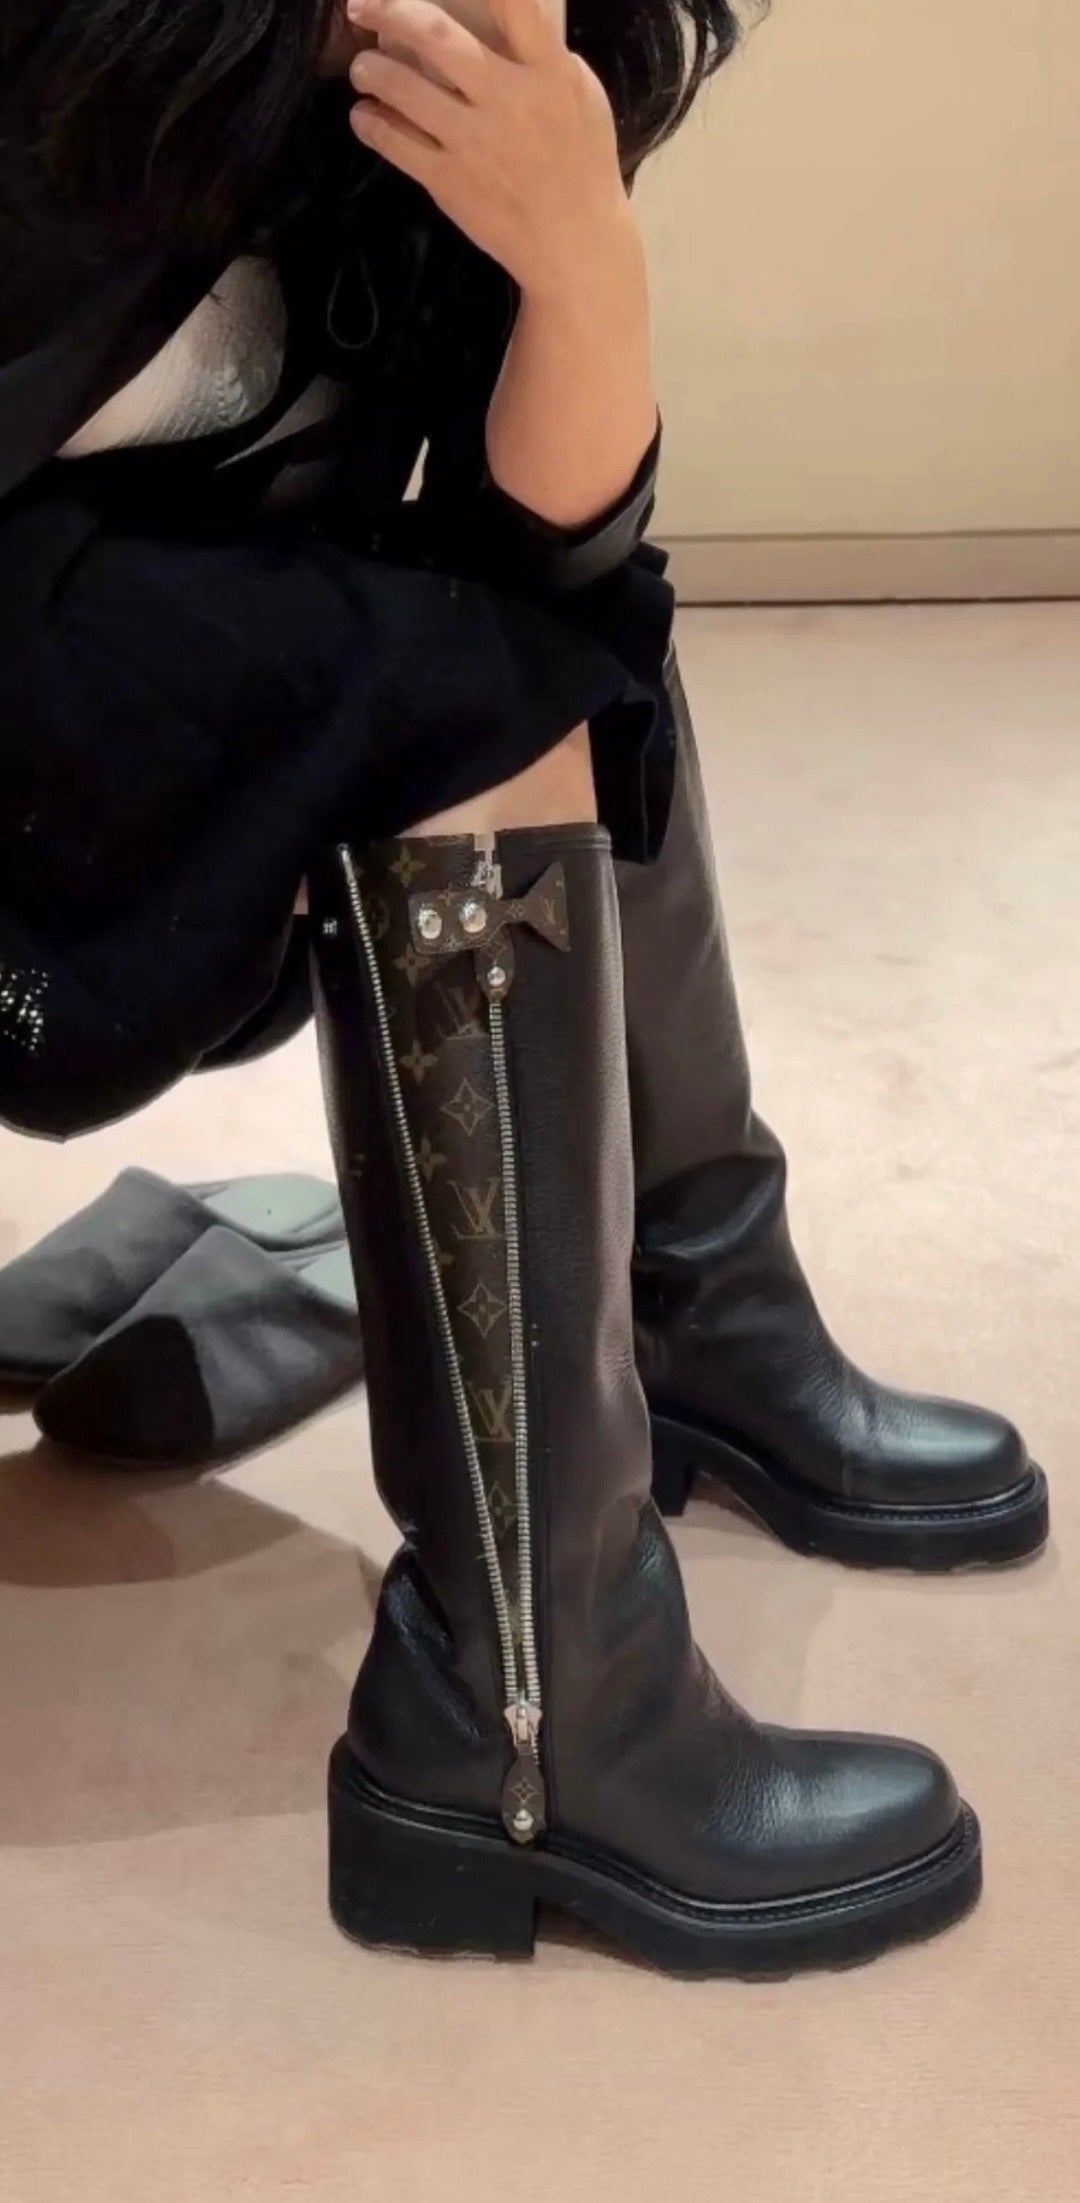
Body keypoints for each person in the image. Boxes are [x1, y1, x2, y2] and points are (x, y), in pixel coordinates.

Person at [0, 0, 1042, 1977]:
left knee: (562, 648)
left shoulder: (466, 67)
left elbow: (558, 563)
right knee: (459, 691)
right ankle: (533, 1715)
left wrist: (578, 255)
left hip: (93, 708)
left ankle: (691, 1311)